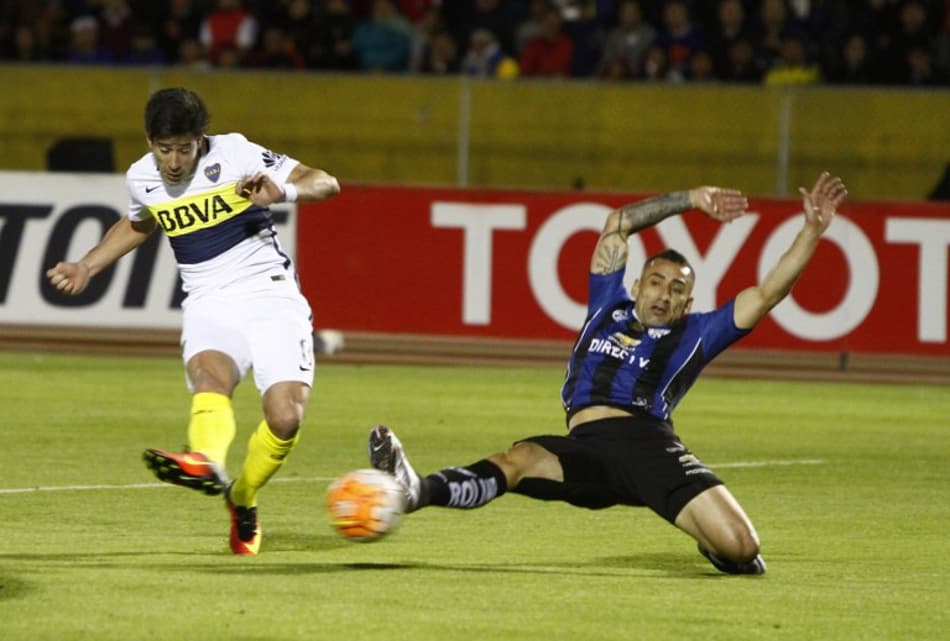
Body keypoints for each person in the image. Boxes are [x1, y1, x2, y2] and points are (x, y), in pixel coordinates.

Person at [368, 172, 848, 575]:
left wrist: (812, 231)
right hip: (586, 448)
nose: (663, 294)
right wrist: (690, 200)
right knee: (519, 460)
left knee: (742, 549)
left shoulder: (698, 332)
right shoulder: (606, 306)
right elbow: (618, 224)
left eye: (676, 289)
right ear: (636, 285)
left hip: (649, 447)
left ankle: (717, 545)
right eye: (656, 282)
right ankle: (415, 490)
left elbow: (767, 293)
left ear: (687, 303)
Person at [46, 87, 341, 555]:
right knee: (209, 377)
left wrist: (284, 191)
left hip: (270, 294)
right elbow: (140, 223)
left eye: (184, 149)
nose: (174, 161)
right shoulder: (142, 177)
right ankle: (205, 458)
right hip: (207, 299)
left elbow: (325, 182)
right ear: (150, 141)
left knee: (286, 417)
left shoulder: (236, 152)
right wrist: (87, 265)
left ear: (201, 140)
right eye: (165, 149)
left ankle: (243, 497)